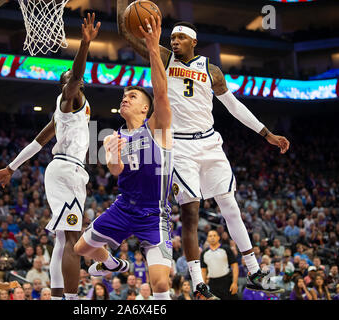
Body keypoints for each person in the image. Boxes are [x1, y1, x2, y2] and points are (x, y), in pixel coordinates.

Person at [117, 0, 289, 298]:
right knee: (190, 212)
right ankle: (198, 282)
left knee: (230, 205)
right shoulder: (164, 58)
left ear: (193, 41)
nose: (174, 41)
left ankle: (254, 270)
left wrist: (266, 133)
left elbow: (234, 106)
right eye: (172, 38)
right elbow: (126, 33)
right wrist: (123, 6)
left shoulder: (212, 70)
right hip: (180, 146)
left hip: (210, 142)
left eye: (180, 38)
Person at [0, 13, 101, 301]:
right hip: (67, 170)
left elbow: (38, 142)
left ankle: (60, 295)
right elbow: (74, 77)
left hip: (65, 170)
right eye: (69, 82)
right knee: (73, 238)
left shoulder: (67, 116)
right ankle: (72, 299)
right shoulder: (69, 99)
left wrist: (11, 167)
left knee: (63, 237)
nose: (73, 83)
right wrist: (84, 45)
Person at [74, 15, 173, 300]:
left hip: (154, 213)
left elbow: (162, 95)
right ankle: (112, 263)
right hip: (123, 207)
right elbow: (116, 171)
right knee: (81, 249)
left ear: (146, 109)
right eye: (124, 96)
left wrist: (153, 49)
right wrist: (112, 155)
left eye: (133, 96)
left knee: (161, 285)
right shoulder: (114, 135)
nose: (125, 98)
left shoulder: (157, 128)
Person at [200, 229, 239, 300]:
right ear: (207, 238)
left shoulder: (226, 249)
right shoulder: (204, 253)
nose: (212, 238)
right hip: (212, 283)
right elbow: (203, 271)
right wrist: (204, 287)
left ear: (218, 237)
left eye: (214, 235)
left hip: (227, 281)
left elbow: (235, 266)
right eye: (210, 236)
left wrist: (235, 282)